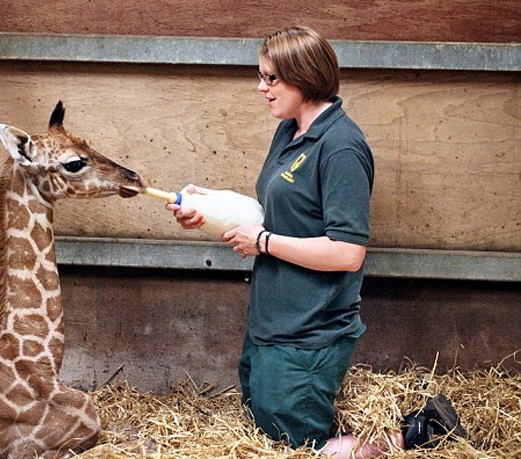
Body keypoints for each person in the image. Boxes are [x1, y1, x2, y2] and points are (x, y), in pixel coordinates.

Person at [167, 25, 467, 457]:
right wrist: (206, 207)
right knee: (265, 431)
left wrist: (264, 243)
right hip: (272, 319)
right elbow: (277, 211)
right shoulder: (289, 131)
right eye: (261, 75)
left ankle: (418, 433)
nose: (260, 87)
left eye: (270, 78)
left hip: (309, 328)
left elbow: (347, 253)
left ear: (303, 76)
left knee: (299, 450)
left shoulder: (341, 147)